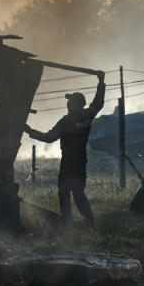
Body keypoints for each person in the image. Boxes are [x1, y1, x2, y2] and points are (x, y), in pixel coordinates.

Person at [24, 72, 106, 229]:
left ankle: (67, 224)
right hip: (81, 161)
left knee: (64, 193)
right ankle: (90, 223)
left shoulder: (66, 122)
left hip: (68, 162)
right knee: (78, 193)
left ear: (73, 105)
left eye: (70, 103)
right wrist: (101, 82)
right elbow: (98, 103)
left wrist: (29, 131)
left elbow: (48, 138)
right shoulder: (88, 116)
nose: (67, 105)